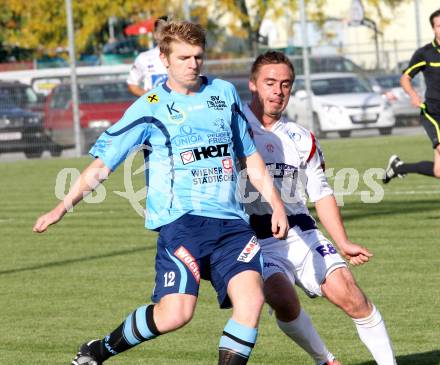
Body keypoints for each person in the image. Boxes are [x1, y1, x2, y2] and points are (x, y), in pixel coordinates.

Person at [33, 22, 289, 365]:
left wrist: (276, 204)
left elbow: (249, 155)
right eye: (184, 57)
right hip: (182, 225)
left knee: (252, 300)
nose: (193, 64)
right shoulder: (149, 106)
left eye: (198, 57)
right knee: (176, 314)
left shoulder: (224, 93)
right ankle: (99, 350)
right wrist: (61, 207)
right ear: (163, 58)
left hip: (231, 224)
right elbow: (103, 165)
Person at [242, 51, 396, 365]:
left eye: (285, 84)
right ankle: (325, 359)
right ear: (253, 85)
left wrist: (343, 242)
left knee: (350, 294)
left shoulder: (302, 138)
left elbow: (321, 193)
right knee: (282, 299)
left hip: (300, 231)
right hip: (254, 239)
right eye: (270, 83)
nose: (278, 91)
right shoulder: (234, 131)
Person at [383, 8, 440, 183]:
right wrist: (413, 95)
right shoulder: (425, 53)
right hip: (433, 113)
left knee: (438, 171)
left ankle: (398, 167)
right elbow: (405, 77)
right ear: (433, 29)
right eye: (439, 25)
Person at [126, 15, 169, 96]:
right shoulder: (144, 58)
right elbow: (132, 83)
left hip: (180, 107)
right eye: (162, 31)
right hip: (154, 107)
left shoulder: (186, 56)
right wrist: (148, 97)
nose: (166, 35)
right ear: (155, 34)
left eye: (169, 31)